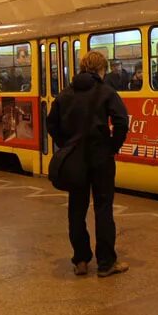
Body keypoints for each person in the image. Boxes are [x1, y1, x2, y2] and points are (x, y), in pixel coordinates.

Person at [46, 51, 131, 278]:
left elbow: (51, 123)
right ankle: (105, 263)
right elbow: (122, 121)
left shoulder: (65, 94)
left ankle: (81, 260)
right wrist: (112, 146)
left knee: (76, 209)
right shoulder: (106, 92)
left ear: (82, 68)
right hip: (101, 158)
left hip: (75, 159)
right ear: (101, 69)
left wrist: (66, 144)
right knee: (103, 208)